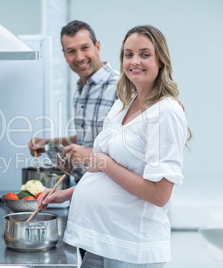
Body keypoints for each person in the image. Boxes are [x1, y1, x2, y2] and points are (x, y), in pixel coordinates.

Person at [37, 25, 193, 267]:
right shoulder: (123, 104)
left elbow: (160, 194)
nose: (134, 61)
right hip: (100, 241)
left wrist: (104, 162)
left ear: (160, 60)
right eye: (128, 54)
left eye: (144, 54)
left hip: (131, 248)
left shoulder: (166, 112)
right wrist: (67, 194)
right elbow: (108, 177)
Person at [28, 20, 119, 182]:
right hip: (83, 187)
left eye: (85, 48)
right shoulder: (80, 90)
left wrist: (88, 155)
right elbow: (89, 136)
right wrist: (49, 143)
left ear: (97, 47)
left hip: (111, 191)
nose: (79, 57)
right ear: (64, 55)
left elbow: (129, 148)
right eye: (71, 51)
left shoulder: (121, 88)